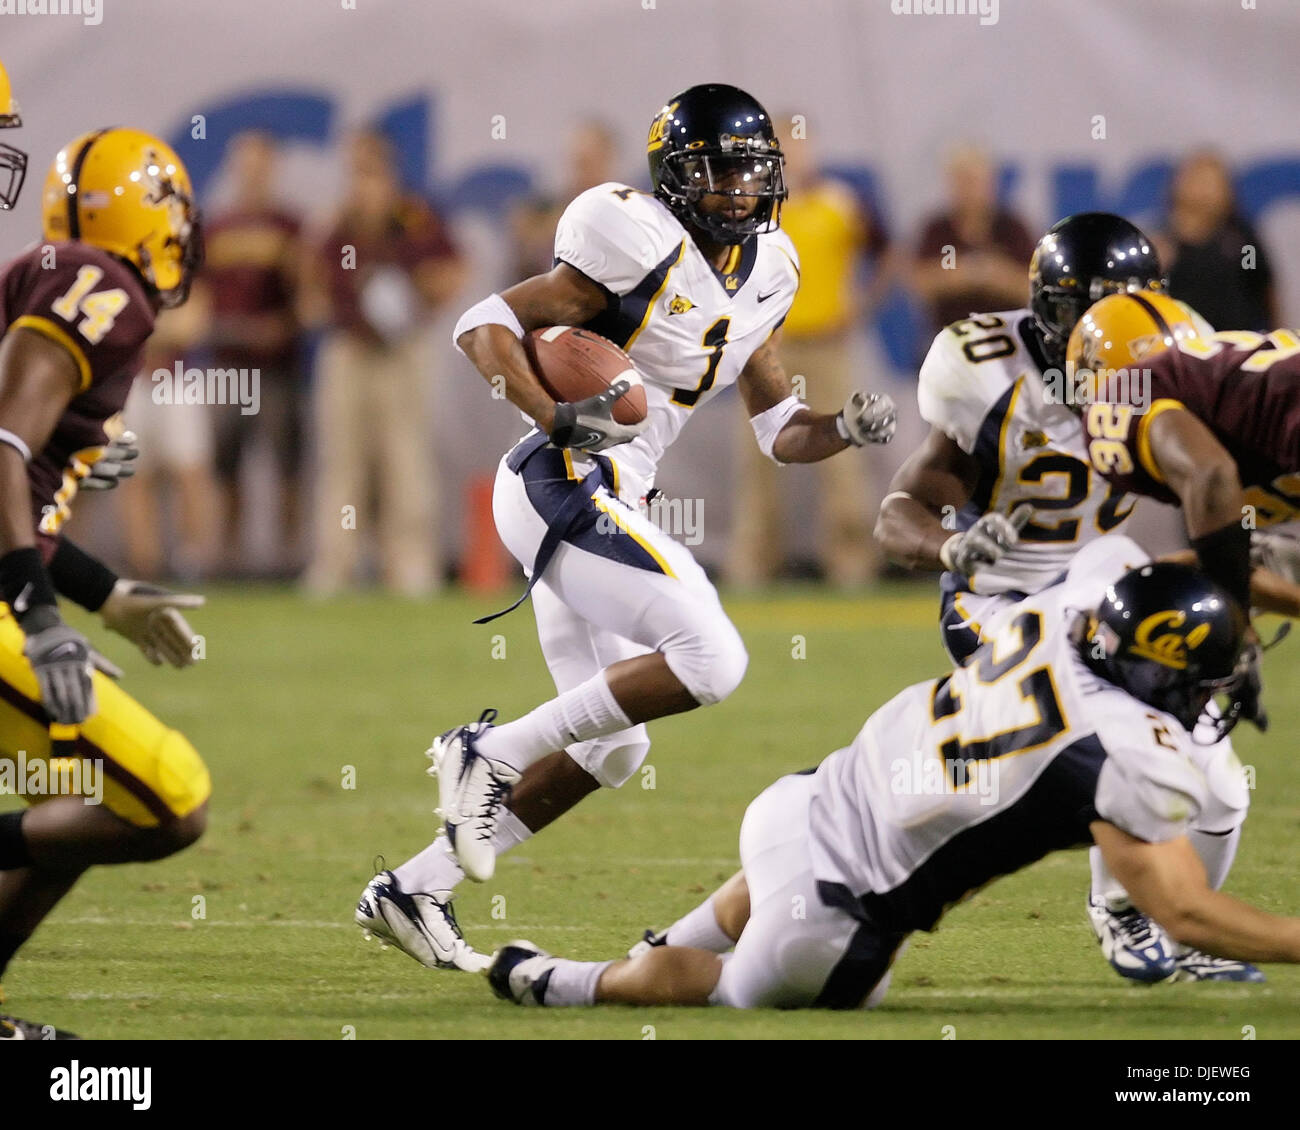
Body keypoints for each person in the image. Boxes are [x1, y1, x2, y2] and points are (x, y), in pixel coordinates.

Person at [356, 83, 896, 971]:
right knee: (713, 657)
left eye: (753, 170)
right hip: (560, 476)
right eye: (720, 171)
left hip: (610, 494)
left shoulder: (772, 270)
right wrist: (552, 416)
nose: (739, 189)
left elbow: (778, 430)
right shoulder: (631, 241)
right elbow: (482, 323)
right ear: (678, 179)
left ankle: (417, 887)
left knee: (613, 747)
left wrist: (844, 429)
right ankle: (485, 752)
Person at [487, 540, 1297, 1010]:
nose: (1208, 699)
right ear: (1158, 675)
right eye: (1203, 682)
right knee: (708, 990)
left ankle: (653, 944)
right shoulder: (1125, 752)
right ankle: (561, 982)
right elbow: (1183, 910)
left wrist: (1240, 589)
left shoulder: (1074, 607)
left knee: (773, 886)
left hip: (800, 803)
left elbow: (1152, 562)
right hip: (832, 926)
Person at [873, 213, 1281, 983]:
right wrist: (947, 545)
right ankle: (872, 869)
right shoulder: (987, 368)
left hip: (1103, 586)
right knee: (1114, 750)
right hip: (998, 601)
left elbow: (1212, 480)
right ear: (1049, 309)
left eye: (1123, 310)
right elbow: (897, 511)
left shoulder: (1165, 360)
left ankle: (1147, 915)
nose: (1105, 332)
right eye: (1088, 312)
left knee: (1219, 777)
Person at [0, 127, 210, 1038]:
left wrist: (106, 594)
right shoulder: (105, 288)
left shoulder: (66, 279)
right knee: (169, 799)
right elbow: (1, 452)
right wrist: (45, 620)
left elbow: (24, 488)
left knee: (83, 794)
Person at [300, 130, 465, 596]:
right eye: (357, 168)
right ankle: (336, 564)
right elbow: (308, 280)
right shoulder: (334, 222)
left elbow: (453, 268)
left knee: (405, 457)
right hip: (349, 349)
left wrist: (422, 299)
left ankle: (410, 564)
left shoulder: (414, 218)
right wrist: (320, 305)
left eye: (371, 168)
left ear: (389, 171)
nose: (363, 179)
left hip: (402, 350)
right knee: (342, 460)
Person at [1071, 289, 1300, 621]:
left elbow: (1210, 474)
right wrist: (1222, 567)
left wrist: (1231, 619)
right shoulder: (1242, 394)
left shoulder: (1127, 392)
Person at [727, 128, 890, 587]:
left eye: (797, 143)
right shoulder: (752, 205)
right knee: (757, 457)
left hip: (825, 343)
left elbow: (885, 251)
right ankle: (753, 565)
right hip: (764, 346)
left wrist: (861, 303)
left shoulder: (840, 202)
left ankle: (851, 565)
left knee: (843, 449)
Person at [200, 132, 305, 575]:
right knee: (225, 465)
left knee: (286, 463)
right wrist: (211, 325)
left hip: (277, 364)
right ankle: (227, 556)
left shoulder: (291, 227)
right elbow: (198, 294)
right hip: (227, 363)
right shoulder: (216, 227)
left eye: (261, 162)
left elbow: (310, 295)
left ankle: (287, 556)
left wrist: (284, 326)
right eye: (245, 162)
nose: (253, 171)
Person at [910, 145, 1035, 339]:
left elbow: (1029, 286)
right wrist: (977, 273)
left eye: (974, 180)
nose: (968, 189)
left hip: (1005, 338)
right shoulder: (938, 230)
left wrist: (988, 275)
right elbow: (921, 283)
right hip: (949, 338)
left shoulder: (1012, 229)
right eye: (961, 181)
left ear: (990, 182)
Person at [1157, 150, 1279, 333]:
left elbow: (1263, 287)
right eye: (1195, 179)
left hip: (1235, 346)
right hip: (1181, 345)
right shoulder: (1161, 242)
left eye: (1211, 181)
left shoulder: (1242, 241)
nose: (1202, 189)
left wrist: (1277, 334)